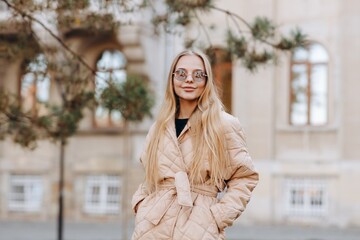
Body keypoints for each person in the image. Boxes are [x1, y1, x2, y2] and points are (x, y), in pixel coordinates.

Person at [131, 49, 259, 240]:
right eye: (181, 73)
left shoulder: (224, 124)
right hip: (151, 227)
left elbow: (245, 177)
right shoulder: (158, 127)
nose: (189, 79)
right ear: (172, 79)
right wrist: (141, 205)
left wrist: (217, 216)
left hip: (199, 227)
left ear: (207, 80)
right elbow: (149, 176)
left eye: (198, 75)